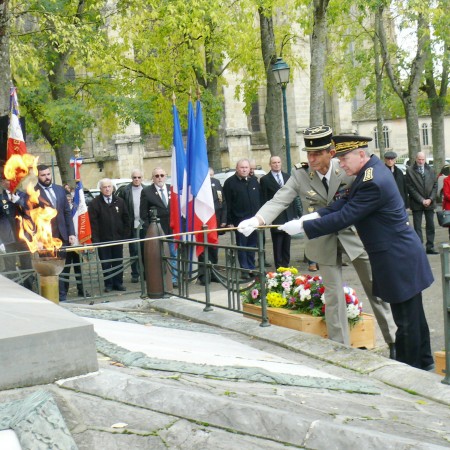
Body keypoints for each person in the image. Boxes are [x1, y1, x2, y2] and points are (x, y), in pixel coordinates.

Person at [275, 135, 433, 371]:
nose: (342, 164)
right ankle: (424, 361)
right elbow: (343, 202)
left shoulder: (372, 181)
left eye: (345, 158)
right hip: (399, 255)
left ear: (361, 154)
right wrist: (314, 215)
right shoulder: (369, 172)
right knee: (413, 316)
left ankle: (409, 370)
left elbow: (346, 216)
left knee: (407, 320)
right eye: (339, 158)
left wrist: (304, 227)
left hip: (396, 257)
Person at [237, 126, 396, 353]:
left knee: (376, 289)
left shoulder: (348, 168)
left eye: (316, 154)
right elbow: (280, 199)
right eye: (308, 154)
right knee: (333, 295)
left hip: (354, 236)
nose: (310, 159)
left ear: (330, 153)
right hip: (322, 240)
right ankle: (340, 348)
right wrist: (258, 219)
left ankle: (394, 340)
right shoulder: (301, 174)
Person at [35, 164, 76, 301]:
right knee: (49, 269)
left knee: (63, 267)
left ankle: (63, 296)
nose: (47, 177)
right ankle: (51, 296)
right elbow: (32, 218)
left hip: (63, 236)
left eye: (48, 174)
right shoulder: (33, 192)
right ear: (38, 176)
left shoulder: (59, 190)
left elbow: (67, 212)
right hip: (46, 239)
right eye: (43, 175)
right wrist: (37, 239)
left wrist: (71, 233)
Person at [88, 178, 130, 293]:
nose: (107, 189)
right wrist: (95, 240)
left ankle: (118, 283)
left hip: (117, 239)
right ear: (100, 189)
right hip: (103, 240)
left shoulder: (120, 201)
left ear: (112, 188)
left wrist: (124, 235)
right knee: (106, 263)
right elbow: (93, 223)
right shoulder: (95, 203)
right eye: (104, 187)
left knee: (118, 262)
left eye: (109, 187)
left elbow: (126, 219)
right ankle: (109, 284)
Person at [223, 159, 261, 278]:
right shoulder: (230, 183)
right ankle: (244, 269)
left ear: (250, 169)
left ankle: (251, 267)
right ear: (237, 168)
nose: (244, 169)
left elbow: (259, 200)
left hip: (254, 219)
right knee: (242, 246)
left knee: (252, 245)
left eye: (246, 167)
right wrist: (229, 221)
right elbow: (227, 203)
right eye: (242, 167)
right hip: (239, 220)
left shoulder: (254, 181)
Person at [140, 167, 178, 287]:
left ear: (165, 176)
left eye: (162, 175)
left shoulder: (171, 189)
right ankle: (159, 279)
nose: (160, 178)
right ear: (153, 178)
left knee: (173, 254)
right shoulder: (147, 191)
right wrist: (149, 230)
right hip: (157, 230)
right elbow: (143, 214)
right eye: (157, 176)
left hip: (171, 228)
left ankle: (174, 279)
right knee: (158, 256)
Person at [260, 156, 299, 269]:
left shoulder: (288, 177)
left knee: (287, 241)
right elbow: (264, 199)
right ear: (270, 165)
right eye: (274, 163)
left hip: (288, 215)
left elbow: (294, 197)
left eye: (278, 162)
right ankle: (279, 266)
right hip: (276, 216)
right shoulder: (265, 180)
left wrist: (295, 214)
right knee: (278, 242)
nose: (276, 164)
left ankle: (286, 264)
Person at [0, 169, 34, 291]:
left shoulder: (23, 196)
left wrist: (18, 202)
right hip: (8, 239)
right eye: (5, 180)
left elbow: (29, 214)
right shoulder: (1, 198)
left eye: (10, 179)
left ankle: (30, 290)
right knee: (10, 269)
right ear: (2, 182)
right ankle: (14, 292)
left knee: (27, 266)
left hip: (23, 238)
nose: (8, 182)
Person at [197, 168, 227, 285]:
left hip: (215, 220)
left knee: (214, 248)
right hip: (203, 221)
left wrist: (224, 219)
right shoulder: (198, 186)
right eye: (208, 175)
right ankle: (204, 275)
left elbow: (222, 202)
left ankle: (214, 273)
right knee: (203, 248)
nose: (211, 177)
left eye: (212, 175)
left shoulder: (216, 183)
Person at [406, 152, 438, 254]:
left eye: (423, 159)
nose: (421, 161)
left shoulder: (431, 170)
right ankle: (419, 248)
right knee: (417, 227)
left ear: (425, 159)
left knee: (430, 226)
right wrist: (421, 200)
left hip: (430, 202)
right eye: (419, 159)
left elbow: (435, 186)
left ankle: (430, 247)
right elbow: (410, 187)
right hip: (417, 203)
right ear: (416, 159)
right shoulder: (410, 171)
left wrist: (430, 199)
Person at [117, 169, 145, 283]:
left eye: (139, 177)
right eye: (134, 177)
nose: (137, 179)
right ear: (131, 178)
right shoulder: (126, 190)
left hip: (144, 224)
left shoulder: (146, 189)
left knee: (145, 249)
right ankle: (135, 273)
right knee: (133, 250)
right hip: (131, 224)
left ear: (141, 178)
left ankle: (145, 272)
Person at [64, 194, 90, 298]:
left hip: (77, 243)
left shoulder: (77, 210)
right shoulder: (61, 210)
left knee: (78, 268)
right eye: (67, 199)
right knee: (65, 269)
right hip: (66, 244)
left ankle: (81, 289)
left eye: (70, 199)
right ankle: (64, 291)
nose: (69, 201)